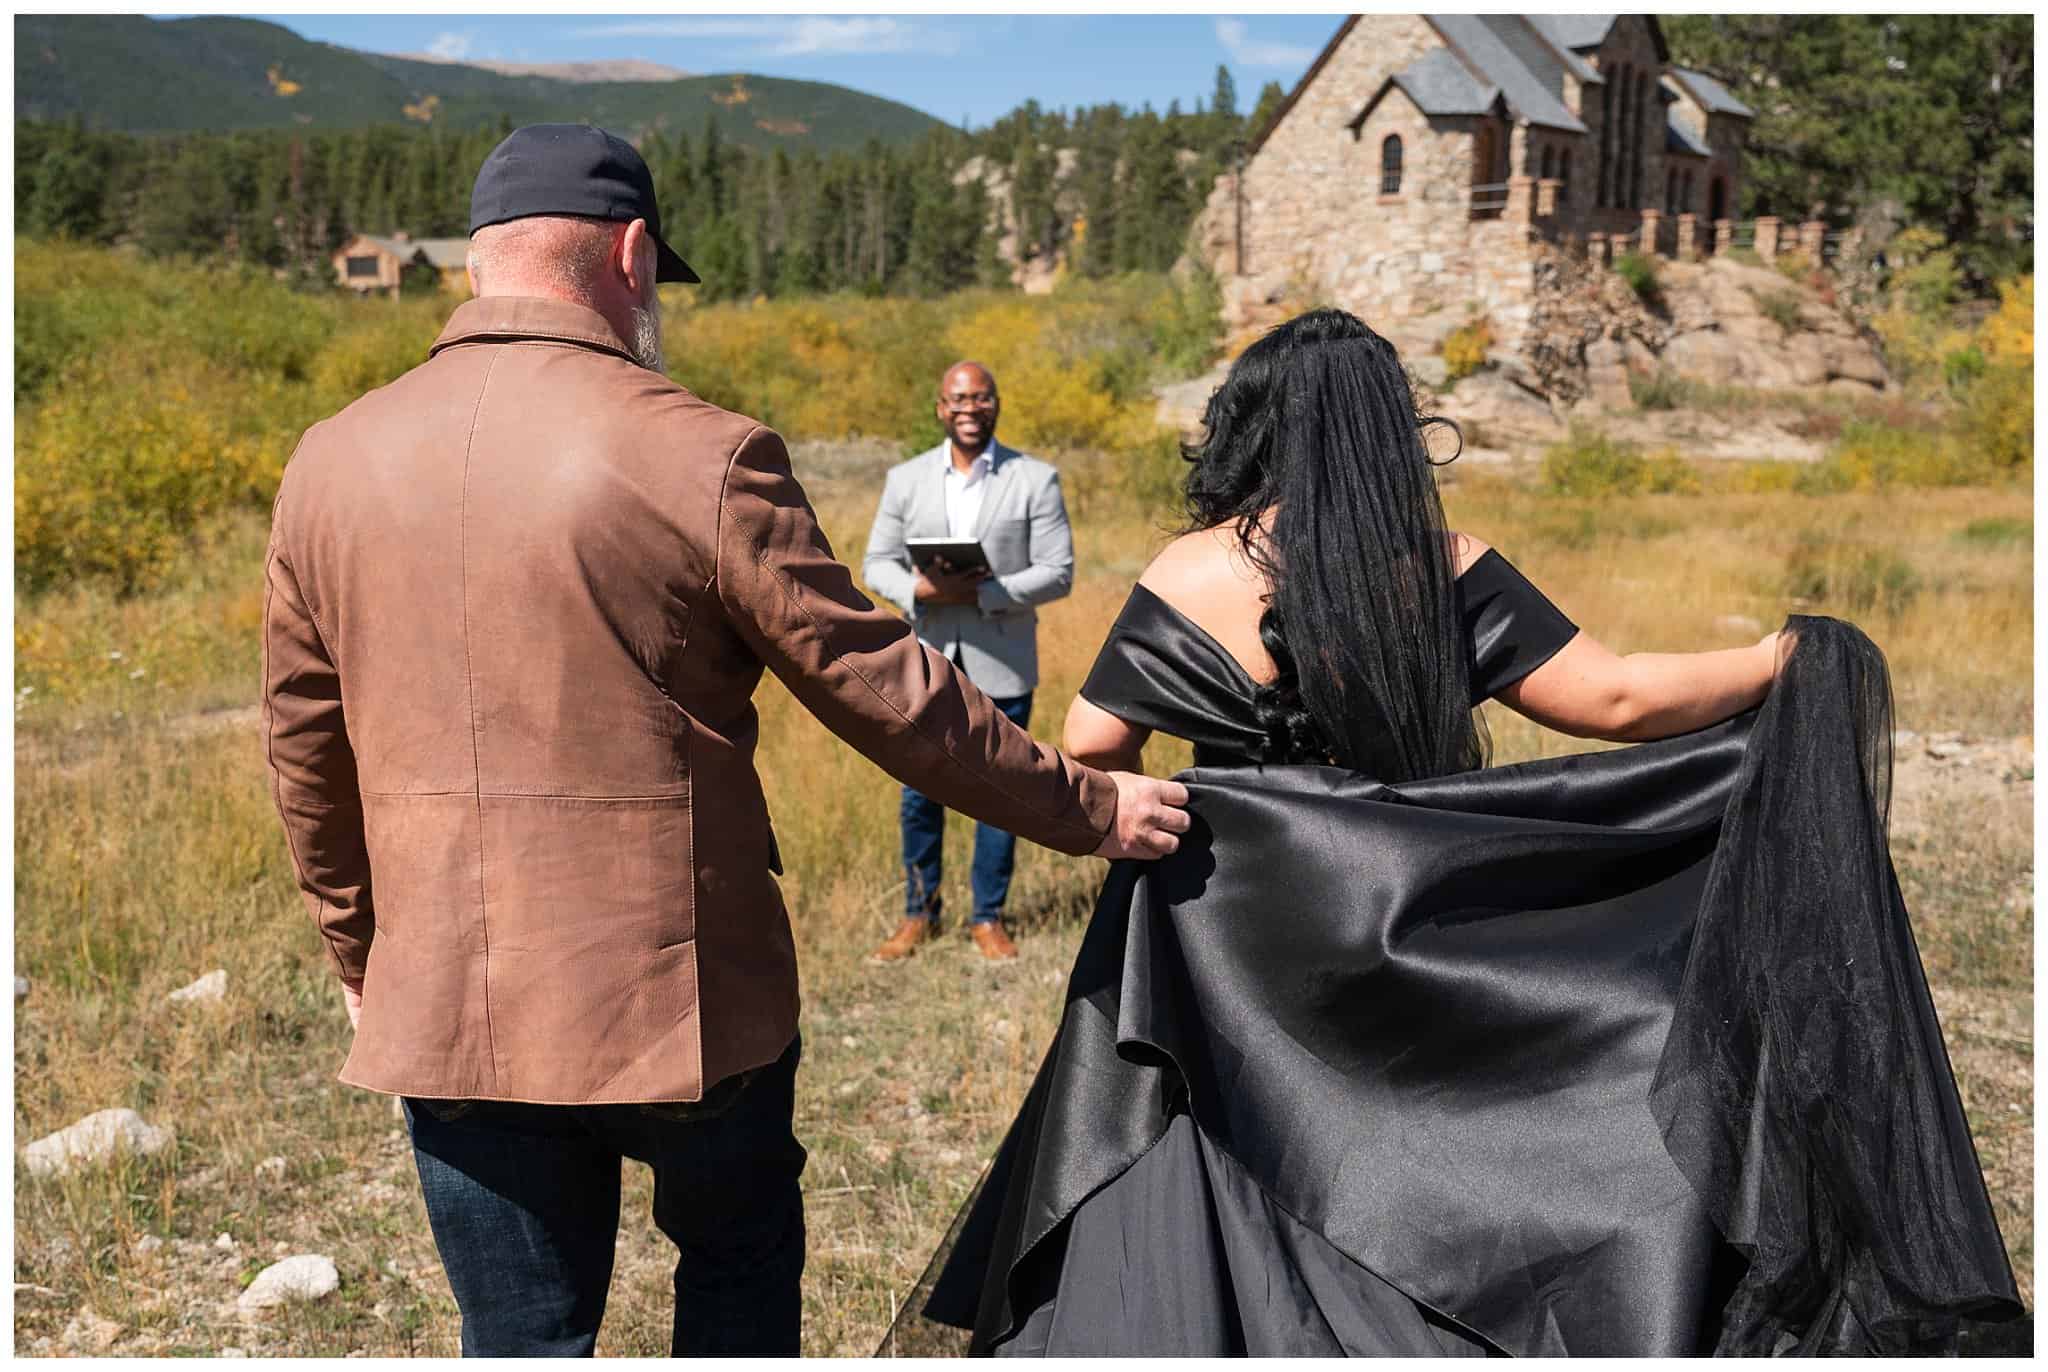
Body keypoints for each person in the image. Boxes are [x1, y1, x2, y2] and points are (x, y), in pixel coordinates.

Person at [891, 309, 2021, 1356]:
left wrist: (1148, 807)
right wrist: (1781, 658)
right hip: (1403, 902)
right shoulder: (1441, 562)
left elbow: (1089, 744)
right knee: (1448, 1121)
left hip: (1225, 935)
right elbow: (1616, 700)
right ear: (1390, 426)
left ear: (1248, 426)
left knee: (1212, 1142)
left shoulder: (1187, 569)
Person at [260, 123, 1190, 1359]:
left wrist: (358, 950)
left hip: (444, 1001)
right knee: (737, 1292)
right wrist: (1089, 807)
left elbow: (304, 748)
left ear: (477, 264)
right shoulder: (699, 450)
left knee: (517, 1338)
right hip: (677, 1004)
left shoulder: (326, 463)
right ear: (633, 254)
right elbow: (884, 688)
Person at [862, 363, 1074, 962]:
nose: (969, 408)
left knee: (1002, 791)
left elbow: (1058, 570)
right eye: (958, 398)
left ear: (997, 404)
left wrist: (984, 593)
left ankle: (988, 918)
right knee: (918, 795)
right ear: (940, 407)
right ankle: (919, 915)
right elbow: (875, 559)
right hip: (924, 659)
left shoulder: (1036, 479)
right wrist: (915, 592)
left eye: (981, 397)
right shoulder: (906, 479)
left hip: (1001, 658)